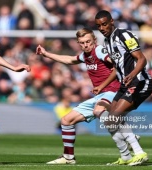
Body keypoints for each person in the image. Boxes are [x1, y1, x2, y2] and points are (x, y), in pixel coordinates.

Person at [36, 27, 140, 165]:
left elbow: (117, 65)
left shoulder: (99, 50)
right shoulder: (86, 55)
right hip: (100, 94)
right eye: (82, 42)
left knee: (100, 111)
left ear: (94, 41)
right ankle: (68, 157)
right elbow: (69, 60)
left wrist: (103, 85)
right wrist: (46, 54)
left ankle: (127, 137)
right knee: (66, 120)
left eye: (88, 42)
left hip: (112, 91)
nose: (85, 45)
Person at [95, 10, 152, 165]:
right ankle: (126, 156)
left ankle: (140, 153)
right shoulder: (107, 42)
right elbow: (116, 68)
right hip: (125, 84)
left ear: (112, 21)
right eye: (99, 26)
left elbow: (142, 59)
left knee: (114, 117)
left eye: (104, 24)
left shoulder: (124, 35)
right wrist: (102, 85)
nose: (101, 28)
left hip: (140, 82)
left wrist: (133, 74)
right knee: (109, 121)